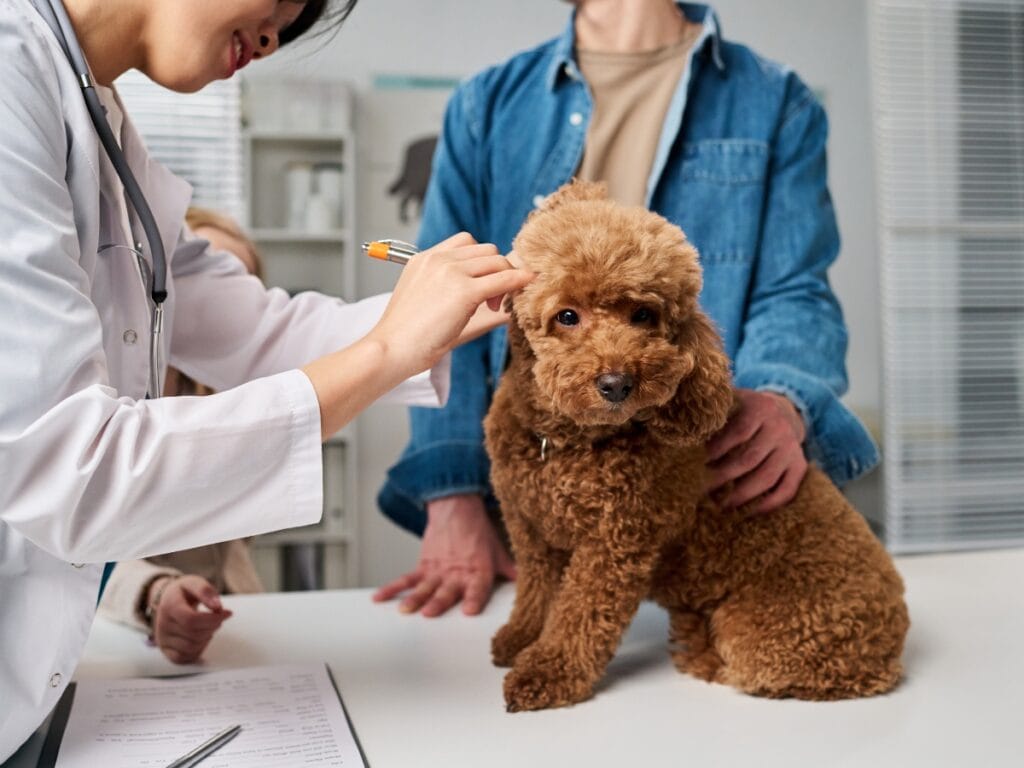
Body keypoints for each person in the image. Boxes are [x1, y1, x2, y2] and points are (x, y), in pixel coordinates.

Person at [0, 0, 532, 757]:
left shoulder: (99, 121)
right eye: (284, 1)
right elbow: (70, 468)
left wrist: (431, 322)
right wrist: (385, 349)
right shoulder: (11, 73)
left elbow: (251, 327)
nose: (277, 35)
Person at [375, 0, 879, 618]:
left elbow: (795, 289)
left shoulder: (776, 101)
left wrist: (784, 399)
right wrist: (450, 492)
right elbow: (446, 308)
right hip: (530, 507)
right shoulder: (489, 103)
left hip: (706, 496)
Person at [97, 208, 268, 665]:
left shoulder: (232, 396)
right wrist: (152, 593)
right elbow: (67, 544)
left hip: (236, 620)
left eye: (242, 286)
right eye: (208, 282)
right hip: (122, 631)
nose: (222, 306)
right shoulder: (102, 390)